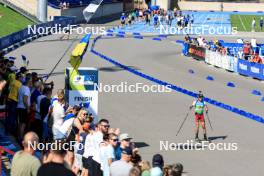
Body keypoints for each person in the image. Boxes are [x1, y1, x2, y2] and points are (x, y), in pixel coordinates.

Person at [17, 76, 32, 141]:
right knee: (23, 124)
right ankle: (21, 137)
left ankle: (18, 136)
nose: (31, 83)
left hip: (19, 106)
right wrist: (28, 108)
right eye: (31, 81)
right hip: (23, 108)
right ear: (29, 82)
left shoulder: (21, 87)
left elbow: (18, 96)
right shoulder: (27, 89)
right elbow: (25, 99)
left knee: (20, 123)